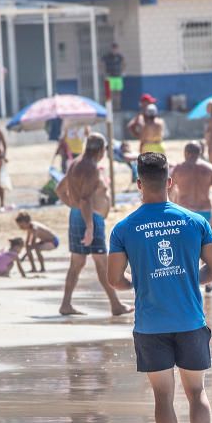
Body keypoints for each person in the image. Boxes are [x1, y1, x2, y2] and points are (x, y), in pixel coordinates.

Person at [107, 152, 212, 423]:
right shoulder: (195, 221)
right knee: (197, 393)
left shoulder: (124, 228)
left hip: (150, 325)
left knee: (162, 397)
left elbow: (114, 280)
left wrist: (141, 282)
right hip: (189, 320)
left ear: (139, 184)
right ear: (170, 182)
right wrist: (187, 278)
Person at [56, 133, 133, 317]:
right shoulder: (90, 168)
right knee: (101, 262)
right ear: (100, 150)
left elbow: (60, 190)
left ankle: (66, 304)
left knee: (77, 262)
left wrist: (72, 206)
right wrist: (90, 226)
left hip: (78, 215)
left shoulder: (75, 163)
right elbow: (85, 199)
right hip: (89, 218)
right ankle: (115, 305)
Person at [102, 43, 125, 111]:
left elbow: (124, 63)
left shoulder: (119, 56)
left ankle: (117, 107)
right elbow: (101, 63)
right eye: (113, 48)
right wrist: (104, 72)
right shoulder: (107, 56)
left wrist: (122, 71)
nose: (114, 50)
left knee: (118, 93)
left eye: (116, 49)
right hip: (110, 76)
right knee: (110, 92)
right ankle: (110, 107)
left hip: (118, 76)